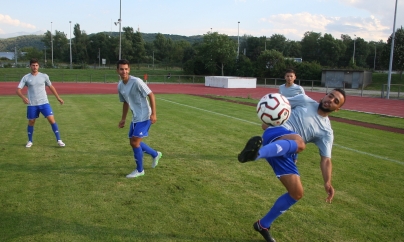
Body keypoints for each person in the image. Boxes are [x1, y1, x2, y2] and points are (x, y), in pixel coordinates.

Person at [238, 88, 346, 242]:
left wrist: (327, 182)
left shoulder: (326, 131)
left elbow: (326, 159)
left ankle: (263, 225)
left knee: (296, 193)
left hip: (287, 153)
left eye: (336, 101)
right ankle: (256, 154)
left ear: (338, 108)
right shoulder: (304, 100)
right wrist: (268, 122)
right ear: (325, 95)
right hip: (276, 134)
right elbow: (279, 104)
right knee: (301, 143)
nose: (330, 100)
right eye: (330, 96)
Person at [116, 59, 162, 178]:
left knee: (135, 143)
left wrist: (154, 114)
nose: (124, 71)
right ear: (117, 70)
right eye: (121, 69)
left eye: (126, 69)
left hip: (145, 116)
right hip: (135, 117)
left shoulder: (137, 81)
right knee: (133, 142)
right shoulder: (120, 85)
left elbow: (151, 94)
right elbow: (125, 103)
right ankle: (155, 154)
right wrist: (123, 119)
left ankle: (140, 170)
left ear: (129, 69)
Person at [16, 58, 65, 148]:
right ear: (30, 66)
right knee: (31, 122)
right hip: (32, 104)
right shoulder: (26, 77)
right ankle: (30, 141)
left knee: (51, 120)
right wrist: (23, 97)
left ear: (39, 66)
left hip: (44, 103)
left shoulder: (44, 76)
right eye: (33, 65)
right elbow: (18, 90)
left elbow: (51, 87)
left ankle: (59, 140)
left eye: (36, 65)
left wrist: (58, 98)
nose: (35, 67)